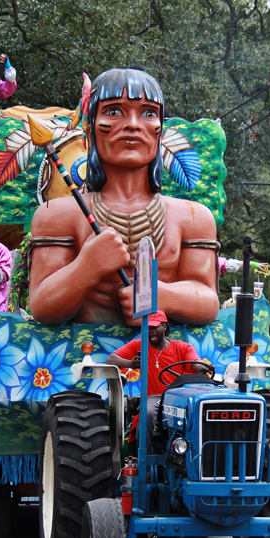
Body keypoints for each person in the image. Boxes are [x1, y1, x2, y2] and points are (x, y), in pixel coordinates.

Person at [28, 68, 219, 327]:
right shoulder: (58, 214)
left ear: (160, 130)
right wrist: (87, 267)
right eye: (114, 111)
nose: (132, 124)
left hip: (163, 357)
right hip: (81, 360)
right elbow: (42, 306)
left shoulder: (194, 217)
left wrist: (163, 296)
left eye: (148, 113)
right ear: (89, 127)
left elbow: (208, 301)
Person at [106, 310, 211, 448]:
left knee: (199, 411)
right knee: (147, 412)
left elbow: (194, 363)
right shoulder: (139, 345)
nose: (151, 331)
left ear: (165, 327)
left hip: (178, 397)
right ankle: (145, 458)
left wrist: (202, 367)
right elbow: (110, 359)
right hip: (153, 398)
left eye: (155, 327)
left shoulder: (183, 347)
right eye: (148, 328)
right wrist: (129, 364)